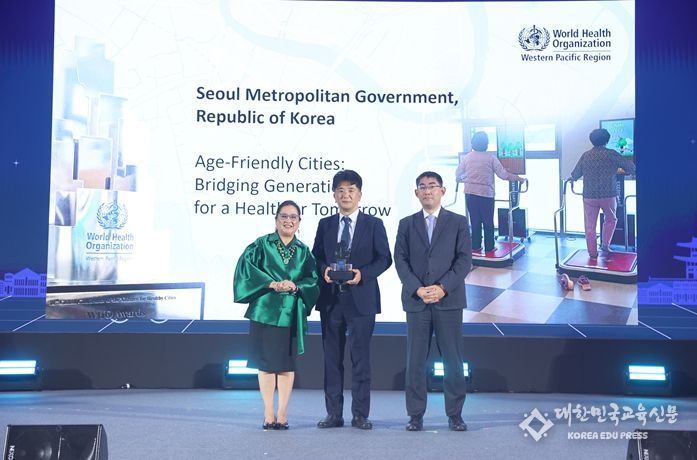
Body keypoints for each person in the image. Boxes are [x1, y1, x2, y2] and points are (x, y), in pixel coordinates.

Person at [312, 170, 392, 430]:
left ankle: (360, 414)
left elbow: (384, 259)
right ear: (334, 195)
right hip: (331, 300)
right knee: (331, 360)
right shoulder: (325, 224)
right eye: (340, 190)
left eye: (351, 190)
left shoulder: (374, 224)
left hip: (362, 299)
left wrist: (362, 274)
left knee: (361, 359)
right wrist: (323, 269)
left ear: (360, 195)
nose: (345, 195)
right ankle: (333, 414)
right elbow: (316, 256)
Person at [394, 171, 472, 432]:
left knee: (453, 360)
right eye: (422, 187)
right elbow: (400, 260)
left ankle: (455, 415)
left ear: (443, 191)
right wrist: (417, 289)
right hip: (416, 301)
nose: (427, 191)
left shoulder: (458, 222)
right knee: (415, 361)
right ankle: (415, 415)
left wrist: (442, 288)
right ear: (416, 193)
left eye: (432, 186)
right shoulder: (406, 224)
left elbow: (464, 260)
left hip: (448, 300)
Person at [234, 200, 320, 430]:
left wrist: (296, 286)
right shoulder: (261, 245)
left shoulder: (304, 251)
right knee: (266, 364)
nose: (288, 221)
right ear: (276, 219)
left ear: (299, 222)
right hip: (265, 310)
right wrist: (271, 283)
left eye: (293, 217)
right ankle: (268, 412)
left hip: (290, 312)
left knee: (285, 365)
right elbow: (245, 269)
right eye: (284, 216)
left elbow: (313, 280)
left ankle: (282, 413)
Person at [570, 128, 636, 258]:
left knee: (590, 226)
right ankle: (605, 245)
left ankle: (592, 253)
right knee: (611, 220)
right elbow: (631, 168)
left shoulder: (586, 155)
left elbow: (575, 174)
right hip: (608, 194)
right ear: (607, 140)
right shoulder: (612, 154)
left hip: (589, 195)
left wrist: (572, 179)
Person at [455, 131, 525, 253]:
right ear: (486, 144)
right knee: (488, 222)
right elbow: (503, 175)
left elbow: (458, 174)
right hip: (485, 194)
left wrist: (466, 178)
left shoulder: (467, 157)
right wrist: (518, 178)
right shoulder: (490, 158)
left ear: (472, 143)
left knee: (475, 221)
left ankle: (476, 246)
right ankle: (489, 247)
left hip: (470, 194)